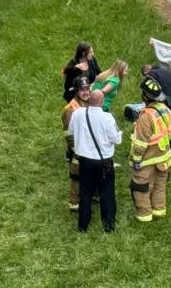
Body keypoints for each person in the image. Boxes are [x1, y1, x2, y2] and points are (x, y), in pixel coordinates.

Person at [69, 89, 121, 232]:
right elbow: (117, 139)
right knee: (107, 193)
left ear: (89, 100)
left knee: (85, 193)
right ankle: (108, 226)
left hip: (84, 161)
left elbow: (72, 131)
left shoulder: (78, 113)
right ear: (102, 101)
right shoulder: (107, 118)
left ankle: (82, 226)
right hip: (104, 162)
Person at [130, 77, 171, 222]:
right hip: (164, 157)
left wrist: (135, 161)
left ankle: (144, 215)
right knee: (160, 186)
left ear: (144, 95)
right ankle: (159, 210)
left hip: (147, 160)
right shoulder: (166, 110)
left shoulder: (145, 117)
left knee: (141, 187)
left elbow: (140, 144)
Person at [61, 76, 91, 210]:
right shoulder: (70, 109)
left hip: (90, 147)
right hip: (78, 150)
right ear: (76, 91)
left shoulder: (90, 102)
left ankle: (93, 195)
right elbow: (69, 134)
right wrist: (77, 150)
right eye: (82, 90)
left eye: (87, 88)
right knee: (77, 176)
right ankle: (75, 203)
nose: (86, 92)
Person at [141, 63, 171, 160]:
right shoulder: (170, 73)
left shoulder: (151, 75)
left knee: (158, 129)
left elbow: (148, 94)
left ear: (146, 71)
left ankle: (158, 153)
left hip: (162, 105)